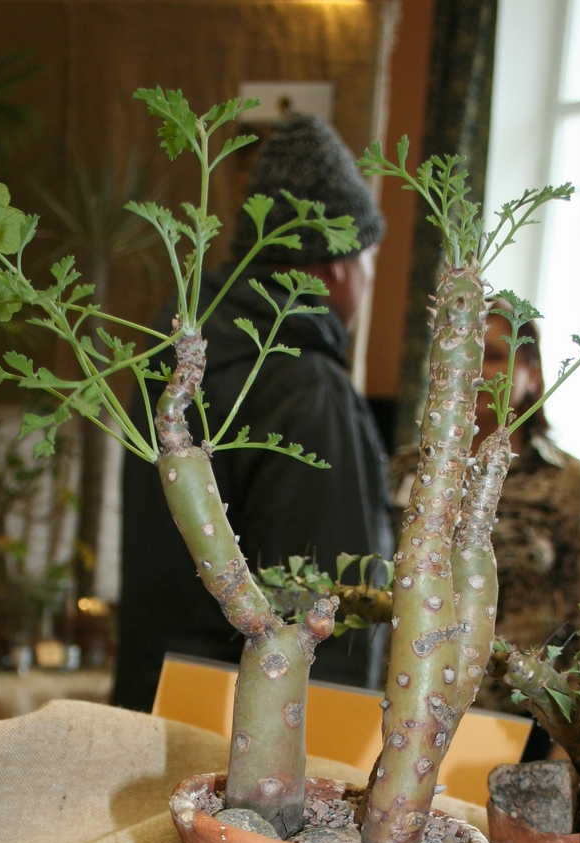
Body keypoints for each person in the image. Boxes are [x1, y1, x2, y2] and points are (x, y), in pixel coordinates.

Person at [113, 114, 394, 712]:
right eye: (371, 262)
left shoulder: (174, 357)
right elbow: (330, 609)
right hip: (254, 737)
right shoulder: (307, 387)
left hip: (156, 704)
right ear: (338, 266)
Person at [389, 304, 580, 715]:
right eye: (464, 356)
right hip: (412, 698)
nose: (475, 373)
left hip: (521, 710)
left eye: (491, 356)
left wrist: (576, 728)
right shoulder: (410, 468)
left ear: (532, 373)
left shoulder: (567, 483)